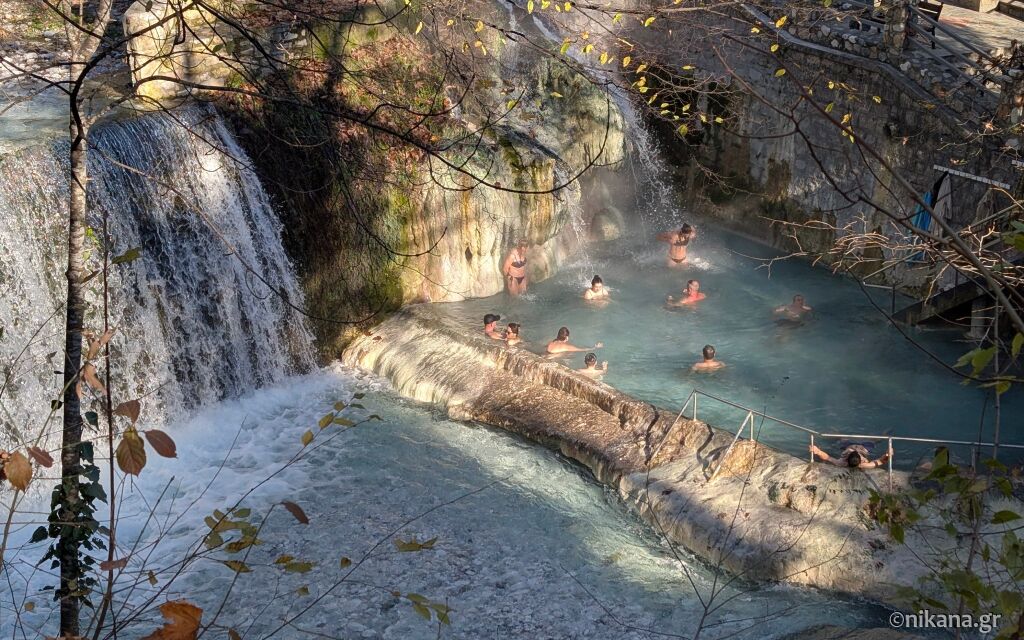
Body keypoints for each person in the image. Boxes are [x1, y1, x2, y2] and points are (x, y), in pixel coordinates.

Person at [810, 443, 893, 469]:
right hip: (864, 447)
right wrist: (887, 455)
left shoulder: (841, 463)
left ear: (846, 458)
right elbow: (880, 461)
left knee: (840, 439)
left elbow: (828, 458)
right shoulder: (864, 464)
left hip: (848, 445)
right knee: (876, 441)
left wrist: (818, 452)